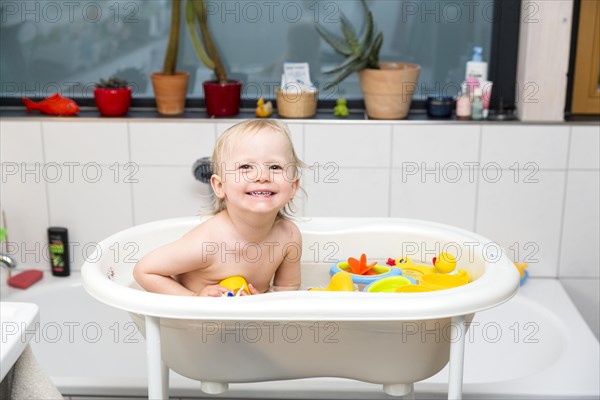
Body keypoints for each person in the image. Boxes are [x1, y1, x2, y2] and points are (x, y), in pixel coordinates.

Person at [133, 119, 304, 296]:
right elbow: (144, 270)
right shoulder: (208, 243)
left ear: (293, 186)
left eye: (275, 167)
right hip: (195, 322)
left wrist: (262, 301)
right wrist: (196, 300)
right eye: (246, 166)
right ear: (219, 186)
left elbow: (287, 289)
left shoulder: (288, 237)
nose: (262, 176)